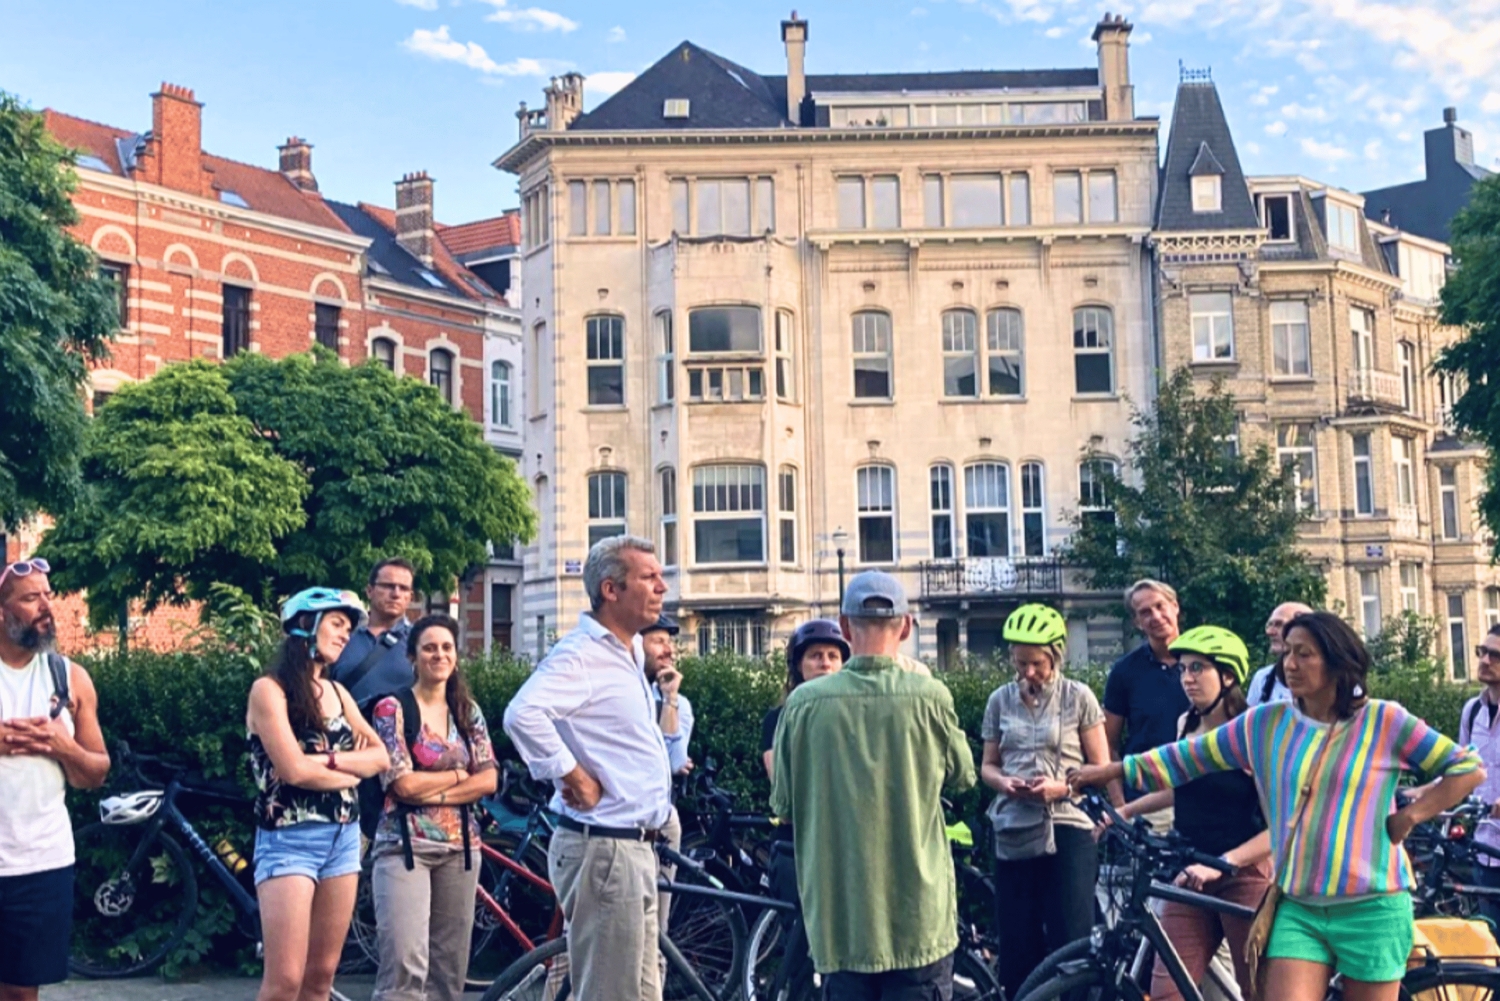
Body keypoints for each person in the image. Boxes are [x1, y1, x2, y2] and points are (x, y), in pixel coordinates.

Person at [1071, 610, 1484, 1001]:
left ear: (1338, 663)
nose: (1290, 663)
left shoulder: (1383, 721)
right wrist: (1108, 771)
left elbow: (1467, 769)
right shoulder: (1265, 723)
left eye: (1304, 654)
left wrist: (1410, 815)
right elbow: (1185, 759)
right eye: (1287, 652)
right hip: (1298, 906)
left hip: (1371, 908)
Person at [771, 571, 975, 1000]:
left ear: (845, 629)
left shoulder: (803, 704)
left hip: (841, 918)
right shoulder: (930, 696)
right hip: (918, 913)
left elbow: (784, 803)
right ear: (905, 628)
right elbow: (963, 776)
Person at [503, 536, 672, 1001]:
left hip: (631, 850)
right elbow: (522, 714)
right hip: (606, 851)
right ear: (611, 590)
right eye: (649, 577)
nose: (662, 586)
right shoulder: (581, 654)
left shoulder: (630, 651)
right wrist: (571, 774)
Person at [1112, 625, 1271, 1001]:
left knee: (1258, 992)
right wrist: (1123, 811)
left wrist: (1223, 863)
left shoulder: (1251, 735)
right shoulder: (1187, 725)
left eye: (1198, 668)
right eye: (1183, 669)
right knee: (1167, 991)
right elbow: (1178, 787)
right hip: (1190, 870)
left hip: (1242, 875)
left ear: (1228, 675)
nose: (1187, 678)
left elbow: (1278, 828)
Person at [247, 588, 392, 1001]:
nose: (346, 635)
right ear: (305, 625)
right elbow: (292, 771)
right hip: (288, 840)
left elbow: (380, 758)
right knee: (285, 981)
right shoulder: (269, 692)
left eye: (349, 628)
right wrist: (347, 765)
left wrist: (324, 763)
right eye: (337, 624)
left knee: (321, 977)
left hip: (343, 838)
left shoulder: (338, 694)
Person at [981, 603, 1109, 998]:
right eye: (1020, 663)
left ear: (1055, 656)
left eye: (1036, 663)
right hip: (1015, 825)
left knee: (1072, 938)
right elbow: (987, 765)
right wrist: (1004, 783)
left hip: (1068, 825)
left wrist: (1063, 789)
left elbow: (1101, 767)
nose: (1028, 673)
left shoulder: (1078, 697)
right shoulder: (1000, 700)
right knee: (1018, 943)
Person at [370, 613, 498, 1001]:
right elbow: (401, 783)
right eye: (429, 648)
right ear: (412, 657)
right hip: (404, 848)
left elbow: (489, 779)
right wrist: (459, 778)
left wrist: (436, 791)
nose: (438, 655)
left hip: (461, 850)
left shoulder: (466, 710)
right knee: (405, 965)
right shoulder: (392, 709)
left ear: (457, 656)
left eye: (446, 648)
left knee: (449, 970)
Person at [0, 558, 110, 1001]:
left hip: (41, 863)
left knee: (22, 993)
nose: (46, 606)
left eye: (48, 595)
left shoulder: (70, 678)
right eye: (31, 598)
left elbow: (96, 773)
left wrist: (62, 747)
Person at [1102, 580, 1188, 811]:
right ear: (1137, 622)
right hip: (1144, 800)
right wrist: (1120, 806)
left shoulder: (1204, 663)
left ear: (1175, 606)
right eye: (1145, 612)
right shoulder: (1124, 671)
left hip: (1199, 796)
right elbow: (1108, 745)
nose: (1156, 616)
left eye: (1160, 606)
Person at [761, 619, 849, 781]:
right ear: (798, 665)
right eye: (816, 655)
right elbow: (780, 780)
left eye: (833, 656)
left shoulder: (853, 713)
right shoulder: (778, 719)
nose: (826, 664)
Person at [332, 558, 417, 706]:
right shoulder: (341, 637)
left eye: (403, 588)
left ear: (410, 597)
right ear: (370, 591)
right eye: (388, 586)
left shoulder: (421, 642)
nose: (396, 594)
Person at [1459, 623, 1500, 925]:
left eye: (1495, 655)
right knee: (1491, 942)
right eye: (1482, 652)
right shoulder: (1473, 711)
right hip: (1484, 848)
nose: (1485, 660)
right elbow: (1462, 768)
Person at [642, 614, 694, 776]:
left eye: (669, 642)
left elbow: (674, 762)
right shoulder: (617, 694)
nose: (669, 650)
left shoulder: (679, 703)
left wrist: (669, 698)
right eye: (659, 642)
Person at [1246, 601, 1314, 707]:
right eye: (1269, 625)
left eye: (1278, 624)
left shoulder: (1333, 680)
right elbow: (1250, 722)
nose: (1269, 632)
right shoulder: (1263, 678)